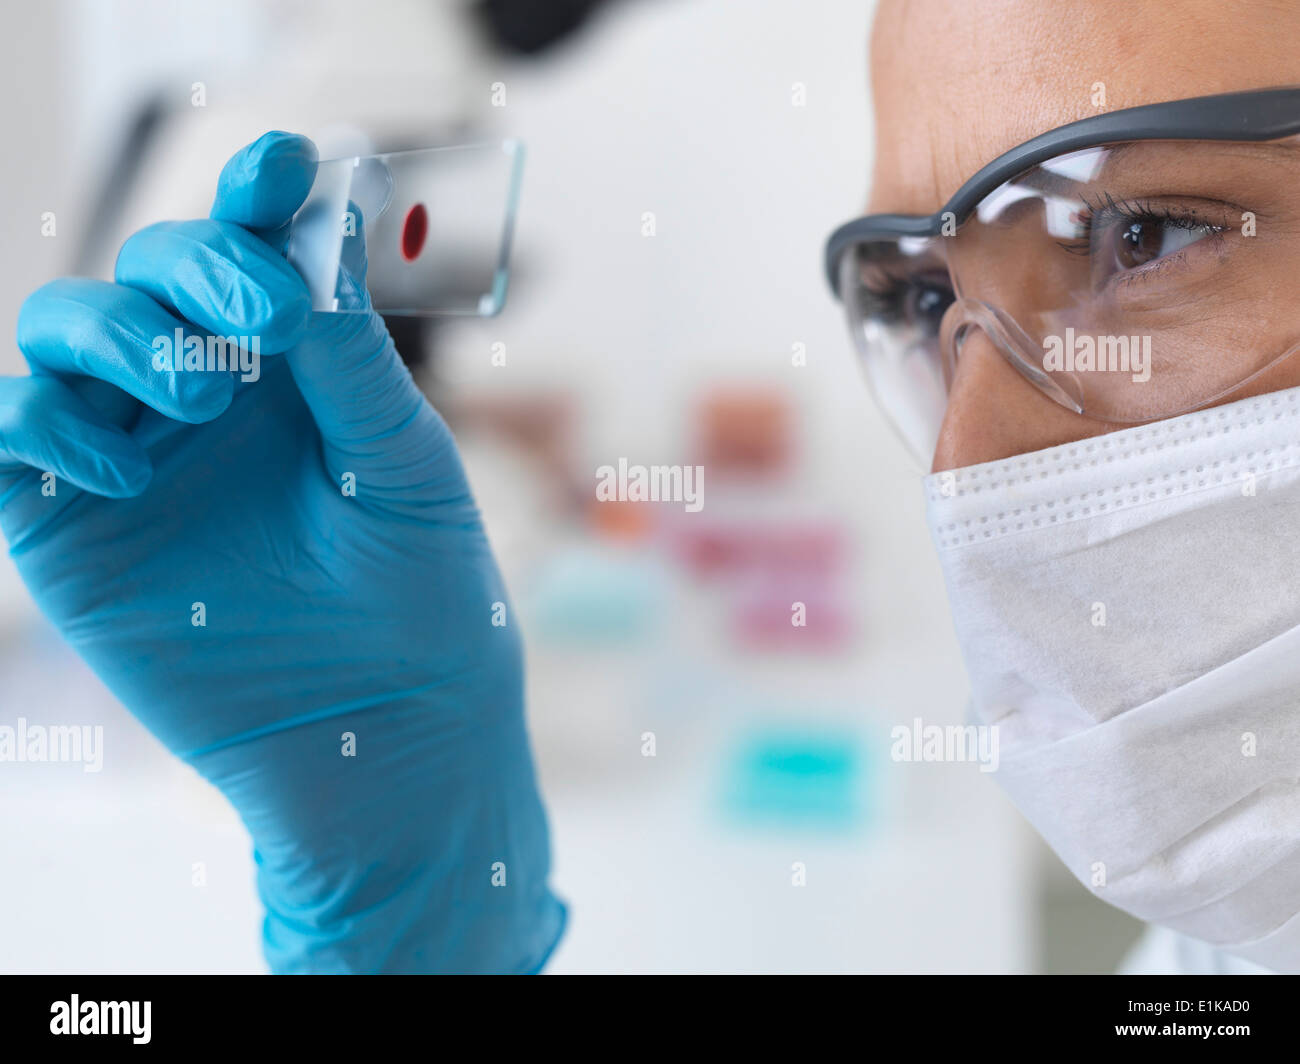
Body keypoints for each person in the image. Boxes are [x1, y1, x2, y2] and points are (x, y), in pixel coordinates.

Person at [4, 0, 1299, 973]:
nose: (966, 469)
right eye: (922, 298)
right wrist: (418, 922)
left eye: (1146, 234)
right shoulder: (1223, 950)